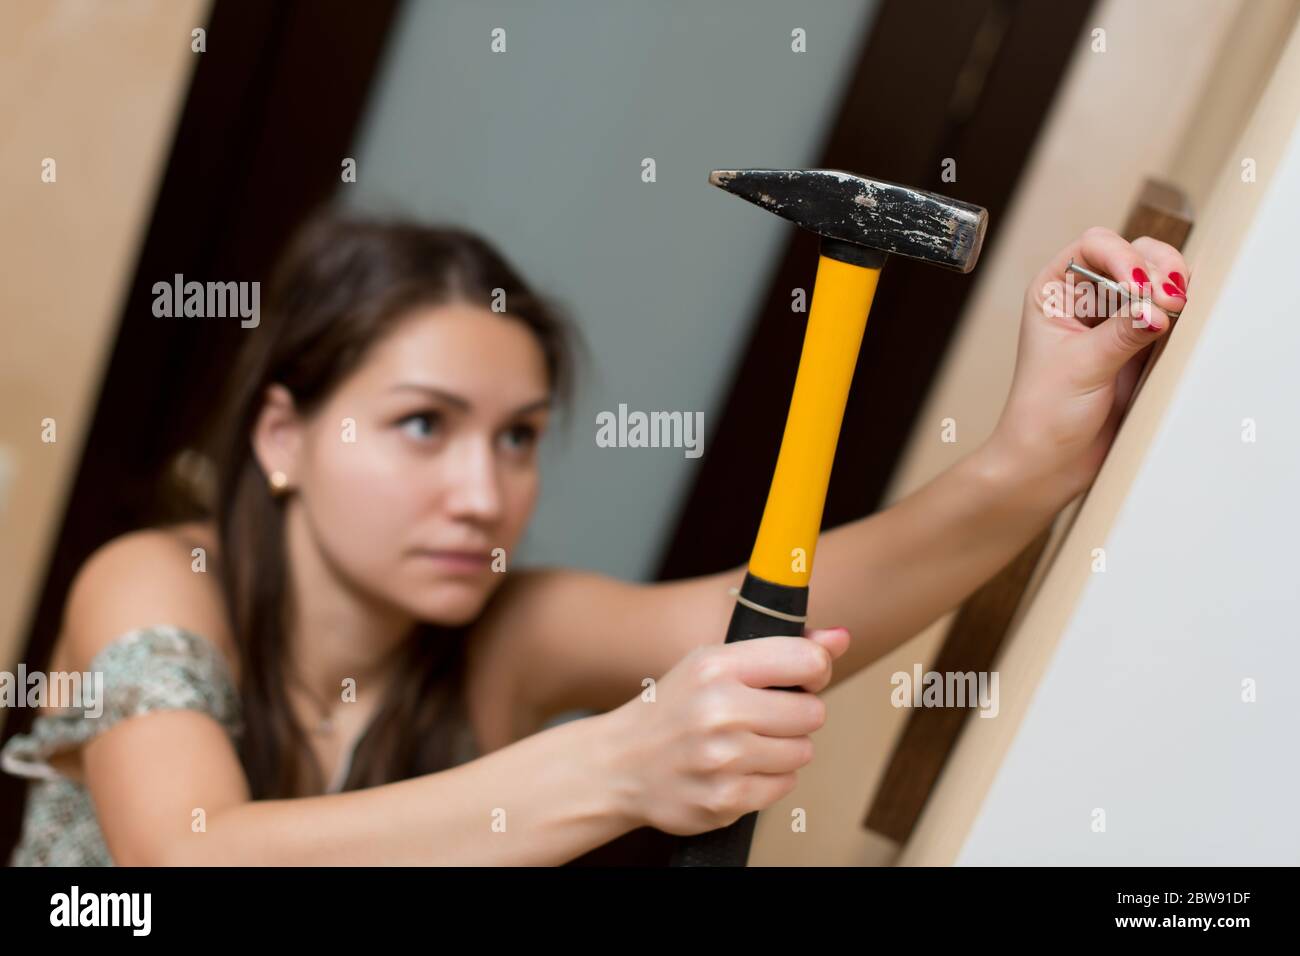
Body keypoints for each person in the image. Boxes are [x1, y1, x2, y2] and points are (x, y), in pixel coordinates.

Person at [1, 213, 1190, 865]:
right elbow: (188, 860)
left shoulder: (506, 632)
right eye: (424, 425)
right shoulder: (156, 580)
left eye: (519, 438)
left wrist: (1030, 458)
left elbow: (778, 611)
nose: (483, 491)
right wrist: (623, 764)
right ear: (283, 435)